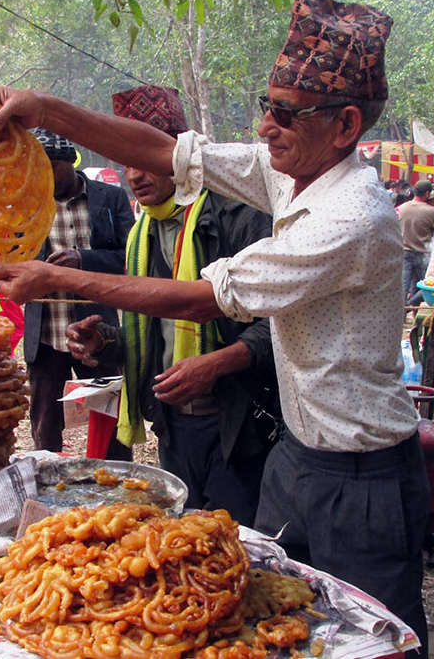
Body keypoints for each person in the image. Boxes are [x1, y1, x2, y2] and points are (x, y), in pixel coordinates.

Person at [0, 0, 430, 653]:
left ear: (346, 125)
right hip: (298, 459)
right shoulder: (295, 174)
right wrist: (44, 110)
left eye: (286, 112)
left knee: (373, 640)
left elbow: (201, 300)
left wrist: (56, 279)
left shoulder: (351, 218)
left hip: (362, 479)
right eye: (265, 105)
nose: (266, 127)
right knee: (277, 624)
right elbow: (168, 151)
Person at [62, 85, 278, 525]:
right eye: (126, 163)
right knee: (185, 539)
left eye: (147, 160)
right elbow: (155, 332)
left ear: (176, 154)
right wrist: (106, 341)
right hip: (173, 424)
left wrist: (216, 363)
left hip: (239, 423)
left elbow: (280, 324)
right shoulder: (141, 234)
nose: (135, 175)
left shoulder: (240, 217)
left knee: (232, 543)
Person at [23, 128, 135, 460]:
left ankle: (115, 481)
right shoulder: (28, 204)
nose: (45, 176)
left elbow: (130, 256)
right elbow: (14, 257)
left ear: (70, 161)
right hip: (45, 336)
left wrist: (83, 259)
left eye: (51, 167)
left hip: (97, 331)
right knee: (45, 425)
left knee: (110, 417)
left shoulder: (109, 199)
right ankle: (48, 488)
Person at [399, 180, 434, 303]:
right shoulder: (431, 211)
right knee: (427, 286)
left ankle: (402, 312)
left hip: (405, 252)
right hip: (423, 253)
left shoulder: (403, 208)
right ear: (427, 194)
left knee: (404, 287)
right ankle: (410, 307)